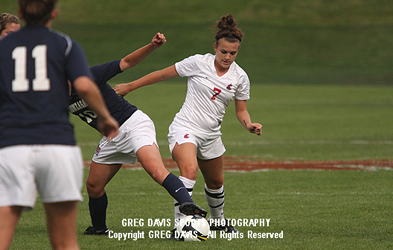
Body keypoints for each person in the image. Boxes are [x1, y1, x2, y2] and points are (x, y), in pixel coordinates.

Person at [114, 14, 262, 236]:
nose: (228, 57)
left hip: (211, 134)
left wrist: (249, 124)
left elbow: (241, 110)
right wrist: (130, 86)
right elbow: (162, 74)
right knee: (189, 170)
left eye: (233, 53)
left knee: (216, 181)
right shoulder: (198, 62)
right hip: (185, 128)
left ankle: (218, 222)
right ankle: (181, 226)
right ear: (215, 47)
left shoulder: (240, 77)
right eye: (224, 52)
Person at [0, 0, 119, 249]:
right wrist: (106, 118)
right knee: (65, 242)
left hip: (13, 145)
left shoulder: (4, 47)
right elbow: (85, 86)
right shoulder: (64, 43)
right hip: (58, 146)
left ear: (21, 12)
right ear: (54, 12)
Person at [68, 33, 207, 235]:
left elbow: (125, 62)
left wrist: (152, 46)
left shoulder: (89, 76)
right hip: (111, 137)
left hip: (133, 124)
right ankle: (99, 229)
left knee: (156, 171)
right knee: (93, 186)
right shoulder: (55, 94)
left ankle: (188, 204)